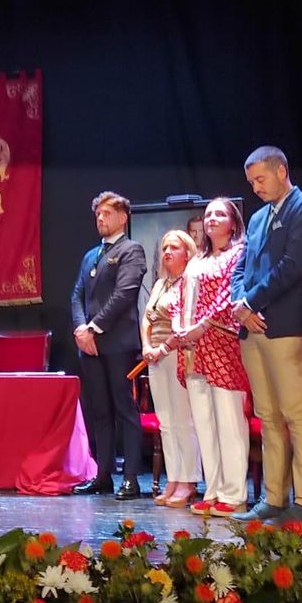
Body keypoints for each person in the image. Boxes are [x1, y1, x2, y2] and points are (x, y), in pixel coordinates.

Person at [230, 146, 302, 525]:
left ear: (282, 170)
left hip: (286, 325)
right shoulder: (255, 219)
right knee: (268, 415)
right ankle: (273, 496)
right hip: (252, 326)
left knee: (296, 413)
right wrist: (240, 301)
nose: (256, 187)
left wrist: (251, 302)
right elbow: (241, 266)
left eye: (261, 178)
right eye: (251, 181)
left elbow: (294, 266)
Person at [174, 197, 251, 517]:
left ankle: (234, 493)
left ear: (234, 222)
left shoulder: (239, 253)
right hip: (192, 350)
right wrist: (180, 326)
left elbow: (228, 297)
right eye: (208, 215)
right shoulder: (197, 260)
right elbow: (180, 296)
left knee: (228, 419)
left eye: (220, 214)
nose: (212, 219)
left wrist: (201, 326)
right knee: (204, 422)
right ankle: (214, 488)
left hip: (222, 345)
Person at [71, 191, 148, 498]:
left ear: (122, 217)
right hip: (89, 347)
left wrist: (93, 327)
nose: (100, 218)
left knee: (124, 408)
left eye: (106, 213)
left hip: (117, 344)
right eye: (98, 214)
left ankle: (130, 477)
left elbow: (124, 294)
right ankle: (102, 475)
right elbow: (76, 294)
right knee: (99, 410)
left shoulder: (132, 250)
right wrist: (80, 329)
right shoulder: (91, 255)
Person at [139, 229, 200, 507]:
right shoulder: (160, 284)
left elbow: (183, 324)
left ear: (187, 252)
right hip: (155, 358)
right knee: (166, 422)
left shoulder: (190, 283)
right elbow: (147, 319)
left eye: (173, 247)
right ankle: (173, 477)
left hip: (178, 355)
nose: (167, 253)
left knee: (183, 421)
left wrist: (163, 348)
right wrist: (146, 347)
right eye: (164, 248)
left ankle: (188, 481)